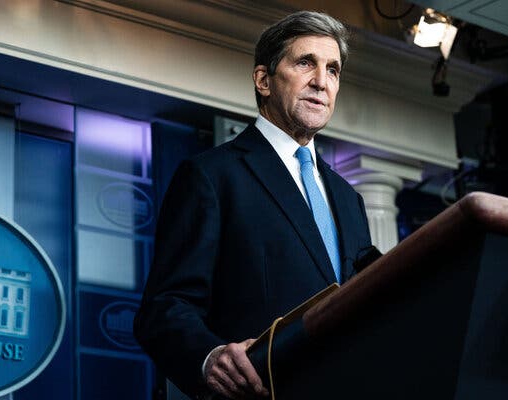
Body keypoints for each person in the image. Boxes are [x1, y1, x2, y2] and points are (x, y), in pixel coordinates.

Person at [134, 11, 372, 400]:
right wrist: (210, 357)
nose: (321, 82)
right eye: (305, 63)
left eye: (333, 70)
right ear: (263, 80)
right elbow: (164, 309)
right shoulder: (211, 175)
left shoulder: (349, 199)